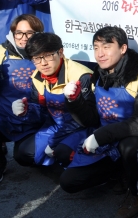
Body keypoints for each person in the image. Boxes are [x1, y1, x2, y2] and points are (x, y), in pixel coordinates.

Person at [60, 26, 138, 218]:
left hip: (137, 136)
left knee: (129, 147)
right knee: (68, 180)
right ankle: (118, 172)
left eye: (106, 46)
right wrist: (74, 101)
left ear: (123, 49)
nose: (100, 53)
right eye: (96, 47)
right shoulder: (98, 74)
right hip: (107, 138)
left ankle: (137, 193)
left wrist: (102, 135)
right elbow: (91, 119)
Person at [0, 14, 45, 184]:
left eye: (29, 33)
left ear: (38, 34)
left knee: (29, 158)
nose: (23, 38)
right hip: (1, 114)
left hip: (31, 116)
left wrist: (30, 110)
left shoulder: (45, 54)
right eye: (19, 33)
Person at [11, 33, 97, 169]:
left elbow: (90, 119)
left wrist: (56, 140)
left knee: (63, 153)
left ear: (61, 52)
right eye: (37, 58)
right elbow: (42, 112)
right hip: (56, 125)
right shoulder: (37, 77)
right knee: (23, 154)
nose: (43, 63)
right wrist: (26, 111)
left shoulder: (82, 76)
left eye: (48, 55)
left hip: (81, 127)